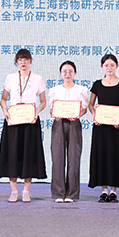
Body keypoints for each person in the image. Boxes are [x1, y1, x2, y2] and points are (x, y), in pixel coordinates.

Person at [0, 49, 47, 203]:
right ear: (16, 62)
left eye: (25, 59)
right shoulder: (11, 78)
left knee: (28, 154)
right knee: (12, 154)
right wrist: (5, 111)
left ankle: (26, 191)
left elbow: (43, 102)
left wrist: (35, 112)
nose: (23, 62)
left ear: (30, 61)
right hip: (13, 120)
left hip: (30, 122)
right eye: (20, 59)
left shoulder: (38, 78)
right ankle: (13, 191)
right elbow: (3, 99)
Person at [88, 54, 119, 203]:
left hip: (116, 127)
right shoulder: (97, 84)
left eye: (112, 65)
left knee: (115, 156)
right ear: (102, 67)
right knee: (101, 156)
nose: (109, 68)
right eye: (106, 65)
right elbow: (91, 105)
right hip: (100, 127)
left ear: (117, 66)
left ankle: (113, 191)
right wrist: (95, 116)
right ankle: (104, 191)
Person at [49, 60, 89, 203]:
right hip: (58, 123)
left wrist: (77, 115)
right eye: (64, 71)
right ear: (60, 73)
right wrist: (55, 114)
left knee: (74, 157)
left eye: (70, 71)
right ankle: (59, 193)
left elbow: (84, 109)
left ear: (75, 73)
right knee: (57, 157)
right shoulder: (54, 90)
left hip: (74, 123)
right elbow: (52, 109)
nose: (67, 74)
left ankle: (71, 193)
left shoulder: (82, 90)